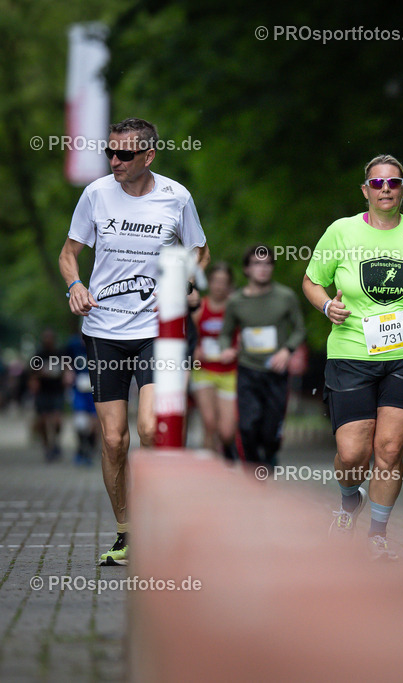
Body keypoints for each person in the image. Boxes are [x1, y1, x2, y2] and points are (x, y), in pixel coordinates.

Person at [58, 117, 210, 566]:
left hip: (155, 331)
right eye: (111, 152)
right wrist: (74, 287)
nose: (114, 161)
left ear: (149, 156)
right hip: (103, 330)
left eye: (125, 154)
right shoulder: (96, 194)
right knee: (113, 440)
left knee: (149, 428)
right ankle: (127, 533)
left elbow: (200, 249)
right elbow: (69, 254)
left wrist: (188, 279)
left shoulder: (176, 196)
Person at [302, 154, 403, 560]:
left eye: (394, 182)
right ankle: (350, 499)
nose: (385, 189)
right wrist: (325, 308)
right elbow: (313, 280)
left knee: (388, 450)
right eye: (377, 183)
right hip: (352, 351)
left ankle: (377, 535)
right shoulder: (341, 231)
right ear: (365, 190)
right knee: (353, 453)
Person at [219, 247, 305, 469]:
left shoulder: (285, 296)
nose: (263, 269)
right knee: (247, 426)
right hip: (248, 369)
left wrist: (287, 350)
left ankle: (269, 455)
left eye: (267, 264)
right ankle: (254, 473)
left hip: (275, 372)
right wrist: (225, 349)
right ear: (247, 269)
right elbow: (226, 333)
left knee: (270, 430)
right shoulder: (236, 301)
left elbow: (299, 329)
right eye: (257, 264)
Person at [190, 262, 238, 460]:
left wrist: (235, 351)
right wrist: (195, 350)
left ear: (229, 285)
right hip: (204, 370)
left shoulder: (235, 308)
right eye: (216, 281)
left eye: (224, 282)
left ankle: (227, 451)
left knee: (226, 431)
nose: (219, 286)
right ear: (209, 283)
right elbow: (189, 335)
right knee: (209, 423)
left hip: (229, 372)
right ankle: (209, 473)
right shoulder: (201, 307)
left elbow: (246, 337)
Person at [29, 329, 67, 462]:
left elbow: (67, 369)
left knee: (57, 421)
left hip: (57, 391)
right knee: (43, 421)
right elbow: (32, 374)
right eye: (46, 338)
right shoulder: (38, 355)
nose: (48, 341)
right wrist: (40, 375)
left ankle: (55, 442)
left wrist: (64, 376)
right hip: (43, 392)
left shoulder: (60, 354)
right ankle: (47, 447)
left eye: (50, 338)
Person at [66, 332, 99, 466]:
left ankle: (89, 450)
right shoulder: (73, 345)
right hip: (79, 389)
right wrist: (68, 372)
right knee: (80, 422)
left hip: (95, 388)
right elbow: (66, 361)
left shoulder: (99, 344)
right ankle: (81, 449)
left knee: (95, 423)